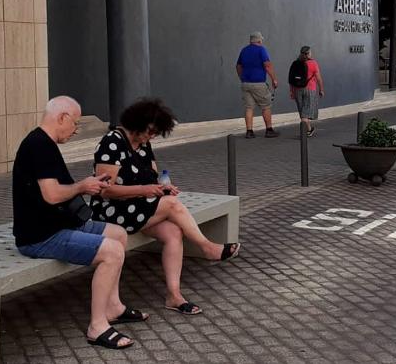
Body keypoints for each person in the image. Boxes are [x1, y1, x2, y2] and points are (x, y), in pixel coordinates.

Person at [12, 96, 143, 350]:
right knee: (112, 252)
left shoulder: (44, 143)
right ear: (62, 118)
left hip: (59, 225)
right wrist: (83, 186)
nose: (76, 130)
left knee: (118, 234)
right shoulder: (39, 146)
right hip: (40, 236)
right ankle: (97, 327)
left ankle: (113, 307)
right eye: (76, 123)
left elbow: (56, 191)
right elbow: (52, 195)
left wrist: (88, 185)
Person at [92, 98, 240, 316]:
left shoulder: (143, 143)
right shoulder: (111, 142)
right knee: (172, 205)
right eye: (151, 131)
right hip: (111, 210)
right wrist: (145, 190)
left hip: (137, 207)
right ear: (137, 123)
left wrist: (163, 187)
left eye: (156, 133)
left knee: (173, 232)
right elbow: (104, 191)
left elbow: (152, 176)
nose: (152, 136)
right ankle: (207, 247)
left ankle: (174, 295)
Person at [236, 32, 279, 138]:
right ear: (259, 40)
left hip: (246, 84)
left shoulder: (244, 50)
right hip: (258, 83)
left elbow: (238, 66)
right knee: (266, 106)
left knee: (249, 107)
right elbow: (267, 65)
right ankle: (269, 130)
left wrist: (242, 77)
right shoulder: (261, 50)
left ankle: (249, 131)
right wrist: (274, 79)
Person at [289, 46, 324, 136]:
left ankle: (309, 129)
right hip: (310, 90)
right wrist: (321, 89)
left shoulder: (295, 63)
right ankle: (304, 134)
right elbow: (318, 78)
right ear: (308, 54)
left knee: (303, 112)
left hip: (297, 90)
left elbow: (291, 79)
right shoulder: (313, 63)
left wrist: (291, 91)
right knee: (306, 113)